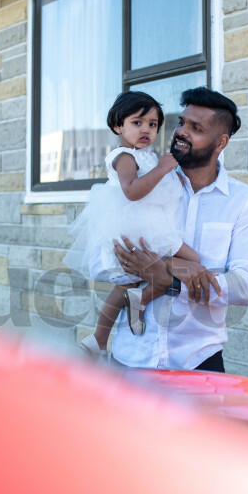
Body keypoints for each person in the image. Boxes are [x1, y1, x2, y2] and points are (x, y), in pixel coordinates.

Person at [110, 87, 248, 373]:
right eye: (181, 123)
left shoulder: (245, 202)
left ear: (221, 142)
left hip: (199, 361)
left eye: (196, 128)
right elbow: (110, 257)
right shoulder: (146, 182)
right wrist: (171, 265)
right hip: (131, 357)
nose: (181, 132)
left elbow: (244, 286)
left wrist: (171, 282)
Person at [63, 91, 203, 359]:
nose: (146, 130)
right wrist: (162, 169)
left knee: (126, 286)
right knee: (192, 260)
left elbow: (158, 188)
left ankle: (98, 340)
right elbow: (132, 190)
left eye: (152, 124)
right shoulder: (125, 157)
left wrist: (168, 173)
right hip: (142, 231)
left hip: (149, 228)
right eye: (137, 123)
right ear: (118, 126)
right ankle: (143, 298)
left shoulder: (147, 156)